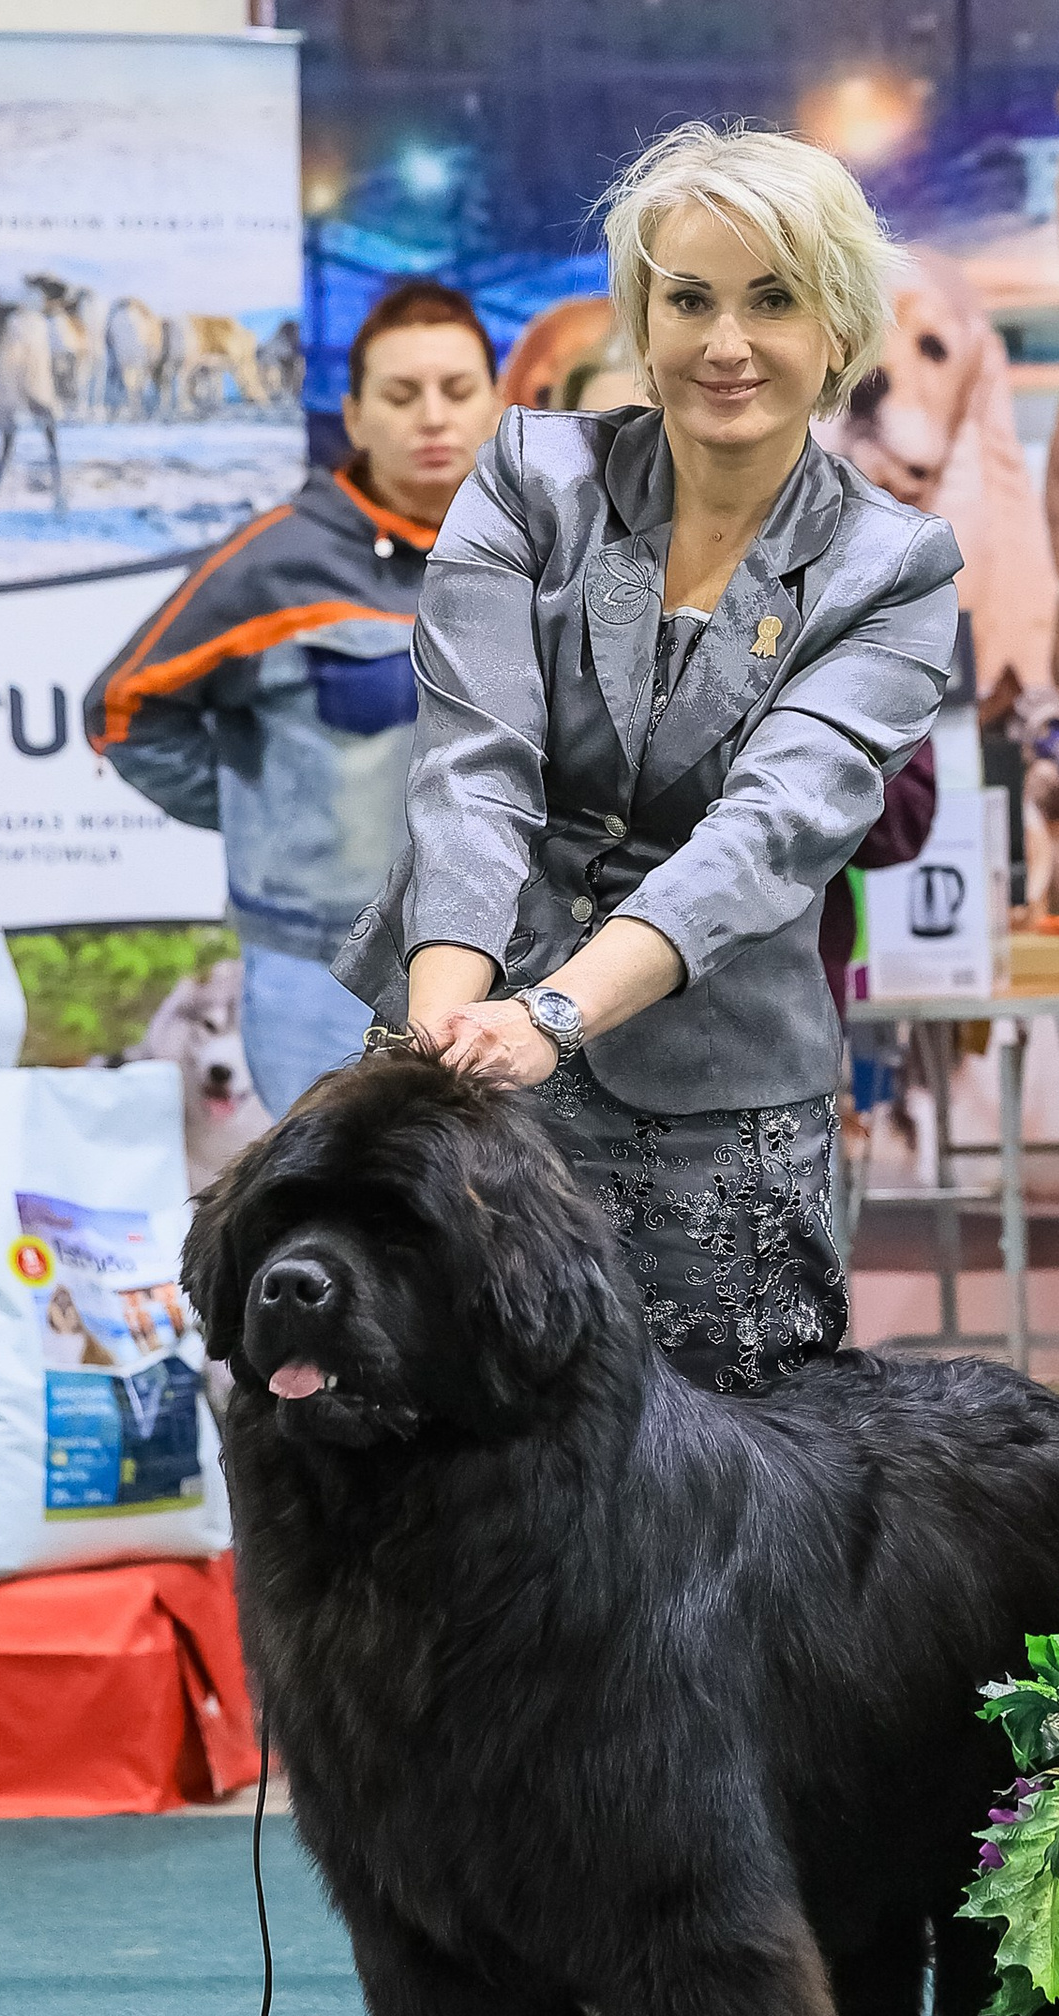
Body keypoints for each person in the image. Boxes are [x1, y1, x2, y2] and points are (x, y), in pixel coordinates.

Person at [338, 121, 960, 1393]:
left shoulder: (895, 569)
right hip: (470, 1053)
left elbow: (767, 836)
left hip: (718, 1113)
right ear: (642, 315)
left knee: (721, 1479)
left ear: (839, 327)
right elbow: (474, 767)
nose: (726, 343)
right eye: (689, 300)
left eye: (772, 300)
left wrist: (554, 1016)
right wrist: (444, 1035)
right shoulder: (529, 480)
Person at [86, 282, 506, 1115]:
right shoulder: (275, 567)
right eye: (401, 395)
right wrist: (264, 809)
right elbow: (125, 708)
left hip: (512, 966)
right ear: (354, 416)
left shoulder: (544, 556)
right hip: (322, 976)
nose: (433, 418)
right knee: (348, 1192)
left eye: (457, 391)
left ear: (497, 405)